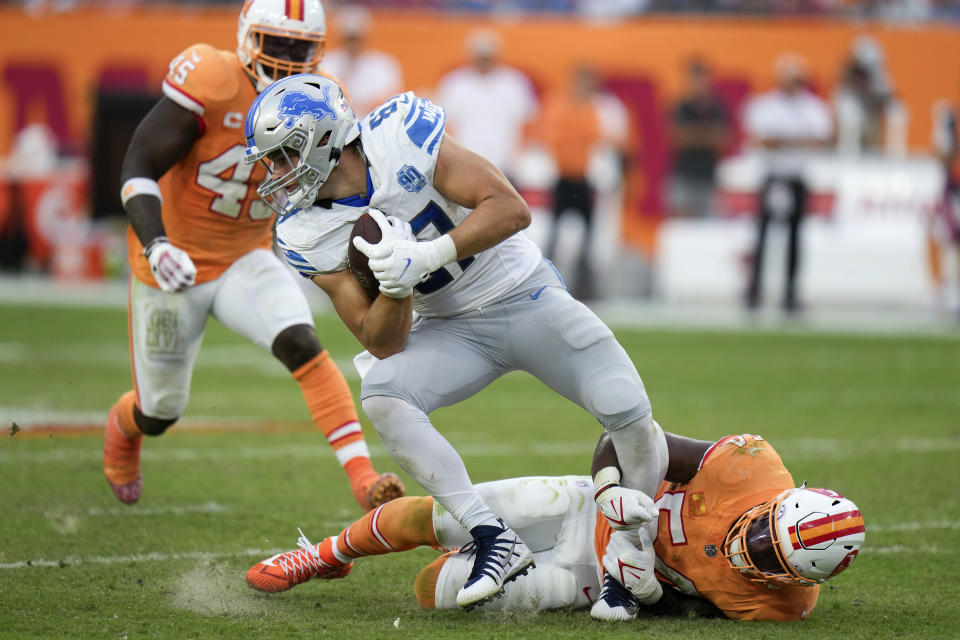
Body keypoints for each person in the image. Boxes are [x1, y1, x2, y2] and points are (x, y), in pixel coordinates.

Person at [243, 74, 667, 610]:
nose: (275, 173)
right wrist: (396, 287)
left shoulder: (399, 135)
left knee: (626, 407)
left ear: (324, 139)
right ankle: (492, 536)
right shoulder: (304, 230)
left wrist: (426, 256)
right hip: (450, 328)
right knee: (385, 394)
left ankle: (630, 554)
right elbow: (382, 343)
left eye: (283, 156)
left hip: (524, 293)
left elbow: (510, 207)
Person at [102, 0, 404, 513]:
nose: (288, 61)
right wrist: (156, 243)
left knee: (301, 342)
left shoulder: (319, 96)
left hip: (246, 254)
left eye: (300, 49)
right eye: (278, 44)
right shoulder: (214, 77)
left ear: (319, 51)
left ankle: (362, 478)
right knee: (160, 410)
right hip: (171, 261)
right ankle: (123, 430)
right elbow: (139, 162)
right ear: (248, 38)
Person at [244, 431, 864, 624]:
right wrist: (611, 491)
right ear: (778, 502)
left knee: (436, 590)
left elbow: (702, 614)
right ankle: (325, 554)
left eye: (766, 558)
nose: (746, 549)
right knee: (434, 517)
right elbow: (623, 436)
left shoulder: (784, 602)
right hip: (580, 508)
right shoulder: (744, 467)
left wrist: (651, 595)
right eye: (761, 530)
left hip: (592, 583)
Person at [743, 54, 833, 312]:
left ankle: (790, 293)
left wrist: (783, 141)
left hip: (796, 177)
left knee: (795, 237)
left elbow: (820, 139)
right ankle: (755, 291)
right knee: (762, 235)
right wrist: (795, 140)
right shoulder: (767, 105)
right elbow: (763, 139)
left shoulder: (812, 106)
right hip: (773, 176)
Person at [537, 64, 612, 301]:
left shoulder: (591, 109)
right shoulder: (559, 105)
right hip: (563, 177)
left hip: (582, 178)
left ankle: (585, 287)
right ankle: (544, 280)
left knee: (588, 236)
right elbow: (555, 139)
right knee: (554, 233)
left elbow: (596, 140)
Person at [434, 28, 539, 179]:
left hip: (505, 162)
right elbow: (445, 125)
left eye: (487, 57)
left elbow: (528, 121)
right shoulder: (455, 84)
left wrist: (520, 156)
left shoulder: (514, 83)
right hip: (466, 161)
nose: (484, 62)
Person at [667, 58, 731, 218]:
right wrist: (707, 135)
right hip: (684, 175)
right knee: (683, 226)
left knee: (708, 230)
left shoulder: (718, 107)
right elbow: (680, 139)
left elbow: (721, 139)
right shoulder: (681, 107)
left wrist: (693, 134)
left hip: (709, 177)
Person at [321, 6, 403, 120]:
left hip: (371, 125)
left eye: (355, 38)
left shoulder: (383, 65)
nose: (352, 43)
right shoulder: (328, 62)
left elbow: (388, 104)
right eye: (349, 38)